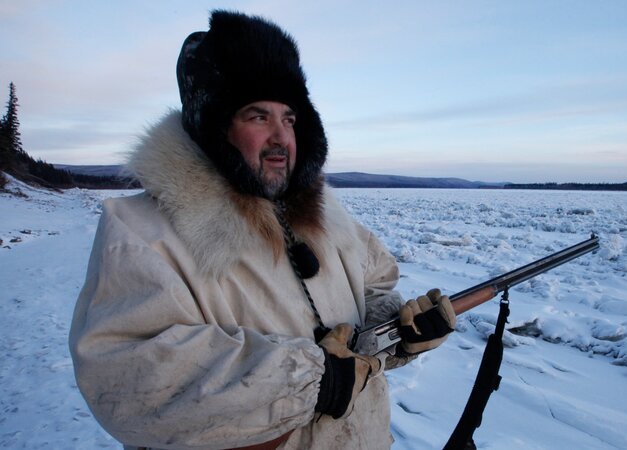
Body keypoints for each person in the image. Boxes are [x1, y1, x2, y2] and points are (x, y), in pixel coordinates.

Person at [69, 10, 456, 450]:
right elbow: (128, 378)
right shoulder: (142, 232)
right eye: (257, 116)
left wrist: (401, 329)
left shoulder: (330, 218)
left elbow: (369, 297)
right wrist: (307, 383)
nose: (281, 137)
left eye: (290, 118)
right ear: (213, 127)